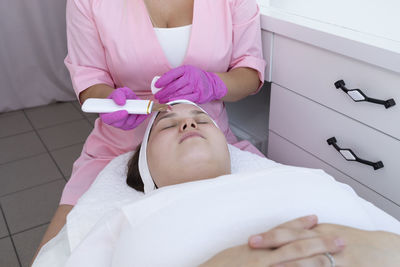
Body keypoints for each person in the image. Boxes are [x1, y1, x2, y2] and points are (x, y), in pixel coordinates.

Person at [33, 0, 266, 261]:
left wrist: (214, 84)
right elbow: (90, 78)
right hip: (115, 145)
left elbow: (250, 71)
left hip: (205, 138)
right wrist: (109, 99)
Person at [61, 101, 400, 267]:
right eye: (167, 124)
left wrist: (388, 250)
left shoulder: (306, 177)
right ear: (145, 168)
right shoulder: (128, 216)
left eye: (201, 119)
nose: (188, 124)